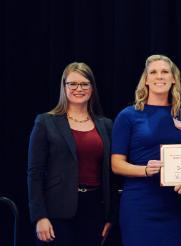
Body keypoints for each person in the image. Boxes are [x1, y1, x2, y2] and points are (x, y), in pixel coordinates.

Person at [27, 62, 116, 245]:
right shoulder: (45, 122)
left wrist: (110, 216)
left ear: (92, 88)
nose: (79, 88)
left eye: (84, 84)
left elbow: (111, 174)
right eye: (72, 84)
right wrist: (39, 216)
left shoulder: (106, 125)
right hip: (55, 211)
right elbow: (34, 173)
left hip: (95, 210)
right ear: (64, 86)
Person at [111, 54, 181, 246]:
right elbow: (116, 164)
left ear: (173, 78)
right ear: (146, 80)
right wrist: (145, 170)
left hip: (175, 203)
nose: (159, 76)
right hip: (140, 203)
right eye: (153, 72)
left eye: (164, 72)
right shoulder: (128, 115)